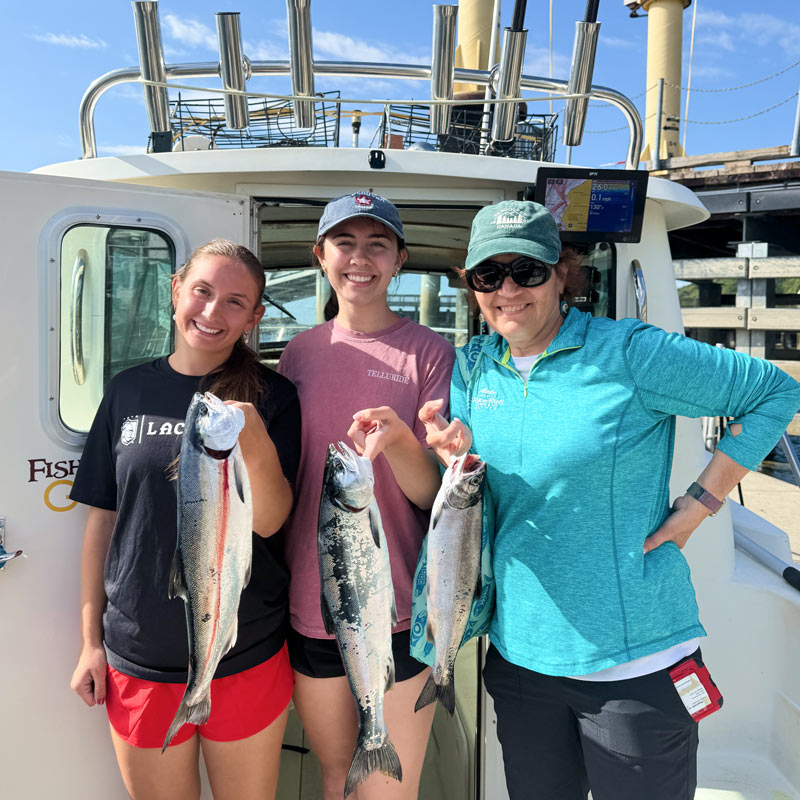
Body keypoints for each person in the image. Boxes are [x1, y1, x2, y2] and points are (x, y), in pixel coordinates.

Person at [420, 200, 800, 800]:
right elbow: (480, 491)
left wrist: (702, 502)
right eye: (489, 276)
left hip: (634, 667)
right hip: (520, 661)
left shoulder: (630, 351)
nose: (508, 289)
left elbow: (773, 392)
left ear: (562, 271)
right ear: (472, 287)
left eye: (528, 270)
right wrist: (451, 457)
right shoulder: (472, 369)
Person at [69, 239, 301, 800]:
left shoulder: (274, 397)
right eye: (202, 291)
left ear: (255, 318)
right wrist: (90, 642)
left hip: (246, 653)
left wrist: (255, 438)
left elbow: (271, 524)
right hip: (140, 655)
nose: (212, 312)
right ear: (176, 292)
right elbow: (103, 522)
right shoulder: (127, 389)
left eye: (235, 302)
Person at [277, 191, 455, 800]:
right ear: (320, 256)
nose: (360, 258)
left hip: (402, 605)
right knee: (336, 776)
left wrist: (402, 441)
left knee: (385, 787)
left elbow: (435, 495)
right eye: (345, 243)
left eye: (377, 244)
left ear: (399, 259)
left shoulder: (430, 352)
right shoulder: (298, 353)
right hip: (309, 602)